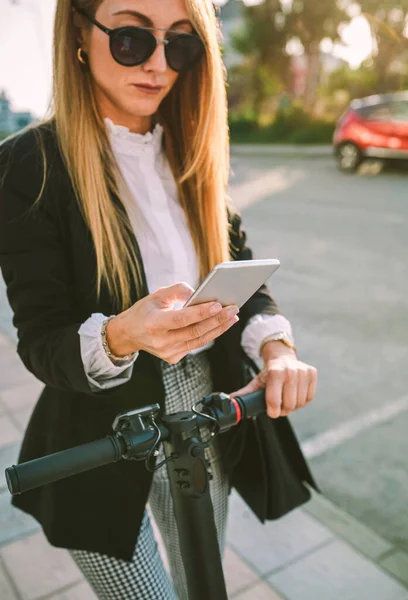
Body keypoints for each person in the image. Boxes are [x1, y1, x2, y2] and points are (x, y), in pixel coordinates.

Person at [0, 1, 318, 598]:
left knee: (203, 583)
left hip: (205, 406)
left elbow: (242, 274)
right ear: (78, 33)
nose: (157, 64)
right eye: (130, 38)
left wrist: (277, 348)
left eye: (181, 44)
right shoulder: (27, 165)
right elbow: (41, 338)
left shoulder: (192, 150)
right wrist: (124, 333)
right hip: (96, 424)